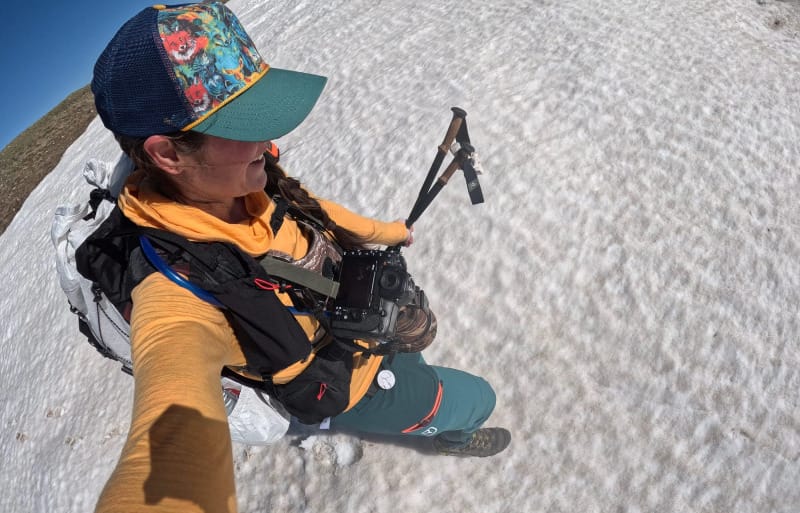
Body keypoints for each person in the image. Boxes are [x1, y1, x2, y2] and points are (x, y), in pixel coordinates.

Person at [88, 3, 510, 512]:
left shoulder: (249, 185)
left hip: (369, 325)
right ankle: (453, 437)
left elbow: (322, 213)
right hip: (356, 387)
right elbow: (170, 440)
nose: (271, 143)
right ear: (168, 154)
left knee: (415, 342)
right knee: (478, 398)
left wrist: (389, 232)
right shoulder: (174, 297)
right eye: (246, 125)